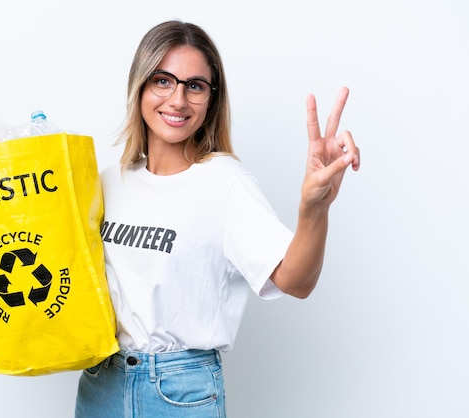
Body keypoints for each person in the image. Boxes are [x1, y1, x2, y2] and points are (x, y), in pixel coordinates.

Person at [75, 20, 360, 418]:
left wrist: (314, 208)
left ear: (211, 98)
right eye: (163, 80)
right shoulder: (110, 182)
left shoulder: (225, 183)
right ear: (139, 87)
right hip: (100, 384)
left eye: (194, 85)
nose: (177, 99)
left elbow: (295, 281)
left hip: (178, 392)